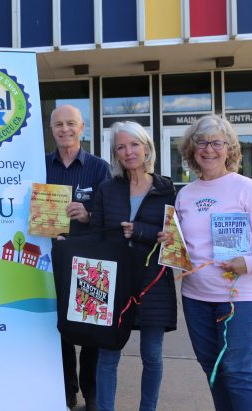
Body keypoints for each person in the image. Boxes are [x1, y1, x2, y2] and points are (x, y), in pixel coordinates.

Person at [172, 114, 252, 411]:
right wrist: (170, 244)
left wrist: (247, 262)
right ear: (191, 149)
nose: (209, 149)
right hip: (196, 297)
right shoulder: (185, 194)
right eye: (202, 142)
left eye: (217, 143)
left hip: (241, 298)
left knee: (237, 371)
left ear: (229, 149)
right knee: (213, 370)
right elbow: (186, 244)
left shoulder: (248, 189)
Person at [89, 122, 177, 411]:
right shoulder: (107, 188)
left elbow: (175, 239)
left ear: (147, 147)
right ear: (115, 154)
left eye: (134, 144)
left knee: (151, 355)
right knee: (108, 355)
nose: (128, 152)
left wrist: (141, 230)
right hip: (112, 282)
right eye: (121, 147)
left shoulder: (167, 189)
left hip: (153, 282)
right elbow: (97, 234)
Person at [46, 105, 111, 411]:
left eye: (71, 123)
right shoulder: (42, 165)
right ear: (51, 129)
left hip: (89, 260)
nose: (64, 129)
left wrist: (88, 214)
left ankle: (92, 394)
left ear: (82, 127)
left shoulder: (99, 168)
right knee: (60, 328)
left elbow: (111, 214)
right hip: (53, 256)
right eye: (58, 124)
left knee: (90, 331)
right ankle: (67, 391)